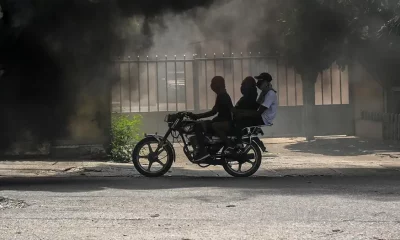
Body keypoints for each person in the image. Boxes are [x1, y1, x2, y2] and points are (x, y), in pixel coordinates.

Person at [189, 76, 233, 162]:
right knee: (203, 124)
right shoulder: (222, 94)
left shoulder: (222, 95)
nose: (211, 86)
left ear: (218, 85)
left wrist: (197, 116)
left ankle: (202, 151)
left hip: (222, 122)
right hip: (221, 120)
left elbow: (213, 112)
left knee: (198, 126)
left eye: (213, 83)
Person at [234, 72, 278, 136]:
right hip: (261, 116)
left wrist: (243, 113)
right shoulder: (264, 92)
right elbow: (256, 106)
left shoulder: (270, 94)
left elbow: (258, 113)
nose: (258, 83)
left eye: (260, 81)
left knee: (241, 121)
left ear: (265, 82)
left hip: (263, 119)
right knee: (242, 116)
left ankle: (238, 141)